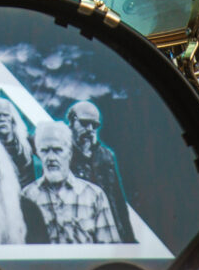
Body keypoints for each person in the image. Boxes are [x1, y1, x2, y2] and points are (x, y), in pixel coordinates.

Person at [19, 121, 120, 246]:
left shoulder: (94, 196)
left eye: (57, 150)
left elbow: (110, 249)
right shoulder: (27, 197)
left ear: (69, 154)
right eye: (44, 151)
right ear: (38, 154)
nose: (51, 158)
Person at [64, 100, 135, 243]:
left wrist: (128, 239)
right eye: (84, 123)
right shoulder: (61, 154)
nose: (90, 129)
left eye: (95, 125)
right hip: (76, 235)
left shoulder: (106, 156)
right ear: (71, 122)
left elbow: (118, 200)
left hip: (106, 232)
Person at [0, 96, 37, 189]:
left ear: (13, 119)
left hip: (28, 193)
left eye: (5, 115)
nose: (2, 119)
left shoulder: (26, 141)